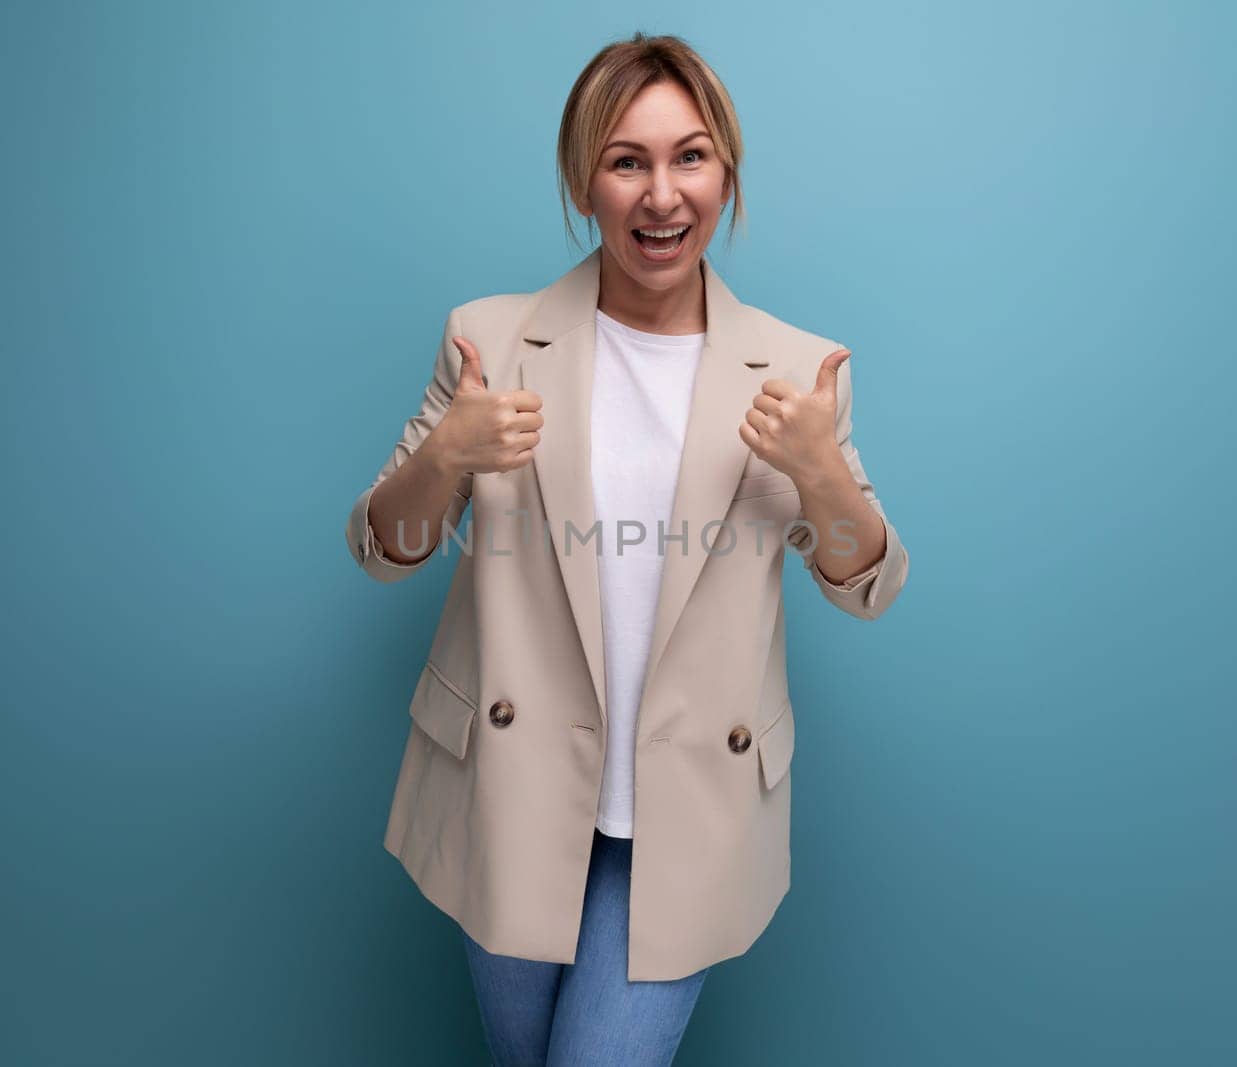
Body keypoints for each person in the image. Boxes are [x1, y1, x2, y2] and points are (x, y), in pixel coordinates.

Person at [346, 32, 910, 1066]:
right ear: (583, 182)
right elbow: (386, 547)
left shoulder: (793, 366)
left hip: (683, 811)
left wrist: (821, 467)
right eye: (626, 161)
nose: (662, 195)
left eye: (689, 157)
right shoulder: (490, 339)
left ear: (725, 172)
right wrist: (447, 456)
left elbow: (865, 581)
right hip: (511, 794)